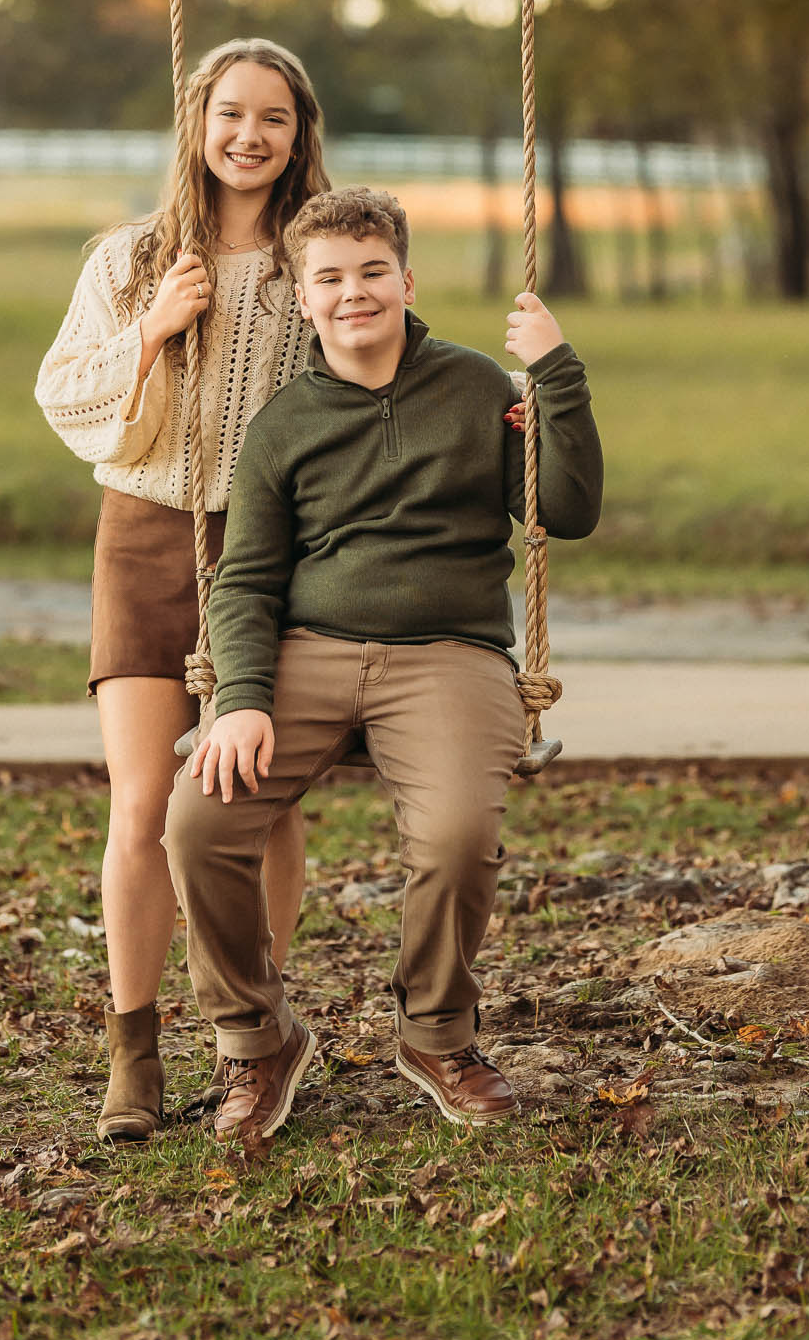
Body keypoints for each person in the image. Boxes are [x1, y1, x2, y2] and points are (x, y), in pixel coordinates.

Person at [163, 186, 603, 1140]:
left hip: (449, 653)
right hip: (308, 651)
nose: (352, 292)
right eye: (329, 278)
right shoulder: (282, 425)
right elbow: (245, 582)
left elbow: (566, 512)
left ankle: (437, 1034)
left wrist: (555, 374)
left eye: (372, 272)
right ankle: (257, 1040)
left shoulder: (478, 387)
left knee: (455, 836)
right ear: (302, 296)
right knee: (198, 822)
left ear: (406, 281)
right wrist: (240, 700)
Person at [35, 38, 329, 1139]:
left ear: (299, 136)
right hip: (146, 536)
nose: (250, 135)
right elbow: (62, 390)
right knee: (145, 805)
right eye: (231, 113)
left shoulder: (316, 260)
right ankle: (133, 1047)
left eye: (274, 118)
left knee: (262, 801)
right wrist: (155, 327)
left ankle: (252, 1031)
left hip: (273, 547)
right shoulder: (130, 258)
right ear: (198, 123)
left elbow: (379, 370)